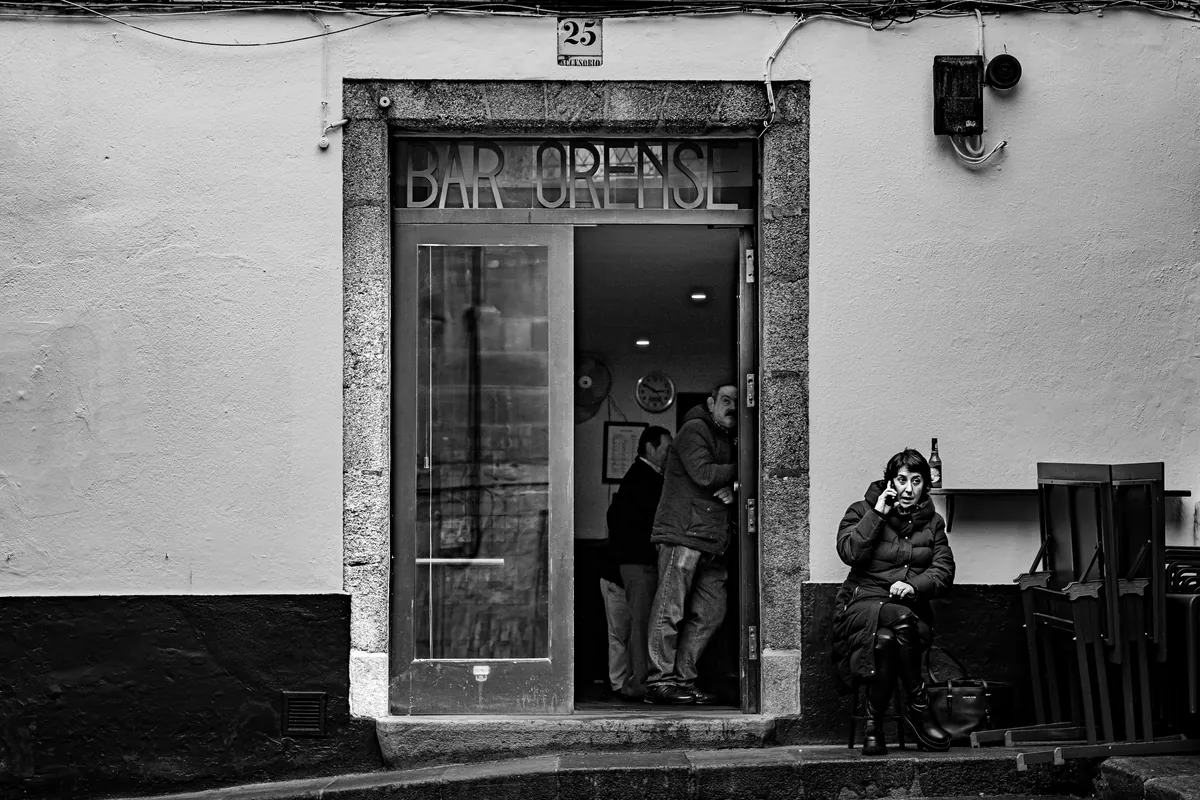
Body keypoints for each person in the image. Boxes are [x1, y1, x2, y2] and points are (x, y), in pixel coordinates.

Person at [831, 448, 956, 755]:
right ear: (890, 482)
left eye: (916, 481)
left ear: (925, 486)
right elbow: (850, 553)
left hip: (909, 616)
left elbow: (944, 569)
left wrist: (913, 587)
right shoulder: (862, 510)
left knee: (886, 639)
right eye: (901, 480)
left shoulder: (933, 523)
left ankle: (873, 727)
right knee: (896, 621)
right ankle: (920, 707)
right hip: (861, 604)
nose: (908, 488)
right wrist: (878, 512)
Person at [644, 382, 738, 705]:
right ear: (711, 403)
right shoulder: (693, 429)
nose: (732, 407)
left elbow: (722, 482)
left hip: (714, 539)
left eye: (737, 402)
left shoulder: (732, 438)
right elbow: (705, 474)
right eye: (726, 400)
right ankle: (660, 680)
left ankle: (683, 680)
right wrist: (744, 469)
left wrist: (735, 489)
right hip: (682, 534)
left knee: (712, 611)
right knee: (670, 607)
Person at [601, 425, 673, 699]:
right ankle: (638, 685)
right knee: (641, 626)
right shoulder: (647, 479)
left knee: (634, 628)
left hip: (630, 564)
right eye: (667, 449)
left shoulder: (638, 477)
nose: (670, 456)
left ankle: (635, 683)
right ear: (650, 448)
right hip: (638, 563)